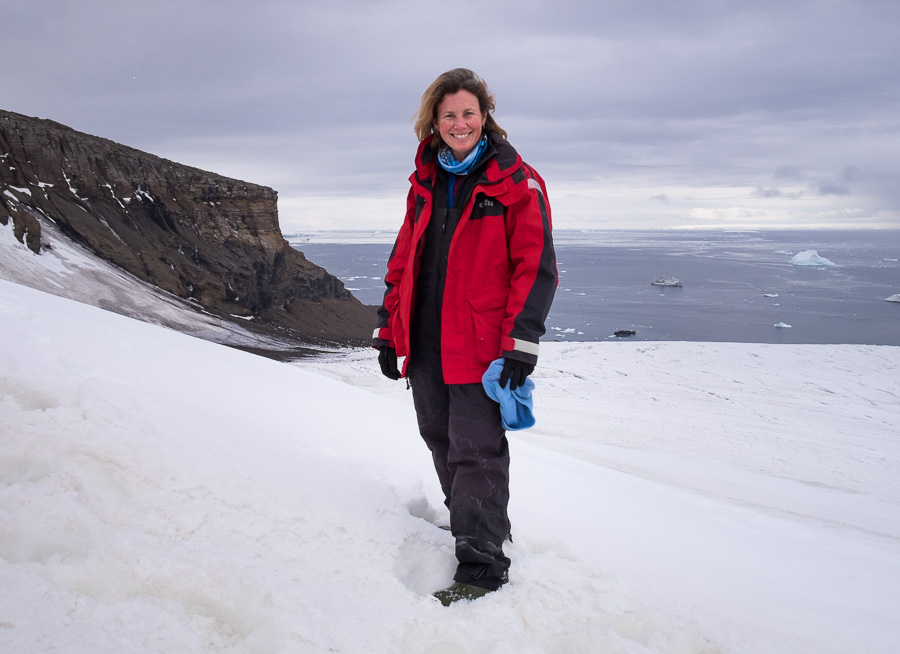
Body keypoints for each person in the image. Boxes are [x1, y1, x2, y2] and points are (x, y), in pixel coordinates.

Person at [373, 68, 557, 605]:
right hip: (427, 343)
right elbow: (403, 258)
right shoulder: (424, 183)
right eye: (449, 114)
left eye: (468, 114)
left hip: (480, 348)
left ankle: (482, 569)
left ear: (485, 117)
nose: (459, 123)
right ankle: (474, 528)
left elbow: (536, 267)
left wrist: (520, 345)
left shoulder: (517, 183)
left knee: (475, 453)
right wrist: (389, 329)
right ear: (434, 120)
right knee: (440, 440)